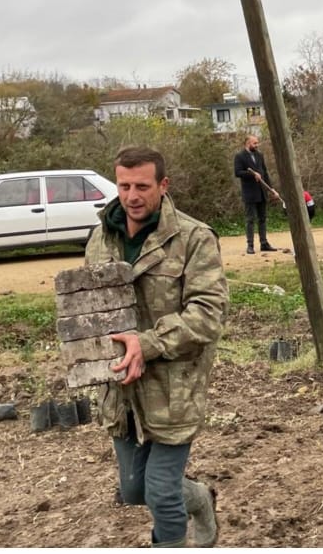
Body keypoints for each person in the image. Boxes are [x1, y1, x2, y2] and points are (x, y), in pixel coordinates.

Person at [85, 146, 227, 548]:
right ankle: (200, 498)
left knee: (161, 492)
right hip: (121, 388)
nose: (132, 196)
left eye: (142, 186)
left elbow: (207, 314)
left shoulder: (194, 238)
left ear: (163, 186)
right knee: (134, 491)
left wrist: (145, 344)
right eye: (124, 185)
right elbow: (90, 309)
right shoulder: (99, 238)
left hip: (173, 386)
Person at [234, 132, 281, 254]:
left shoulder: (260, 155)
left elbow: (264, 173)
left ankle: (264, 243)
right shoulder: (240, 156)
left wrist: (271, 189)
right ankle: (250, 245)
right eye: (255, 143)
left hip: (261, 192)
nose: (257, 145)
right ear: (248, 143)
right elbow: (238, 172)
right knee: (250, 219)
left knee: (262, 219)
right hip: (250, 193)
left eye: (257, 143)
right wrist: (252, 174)